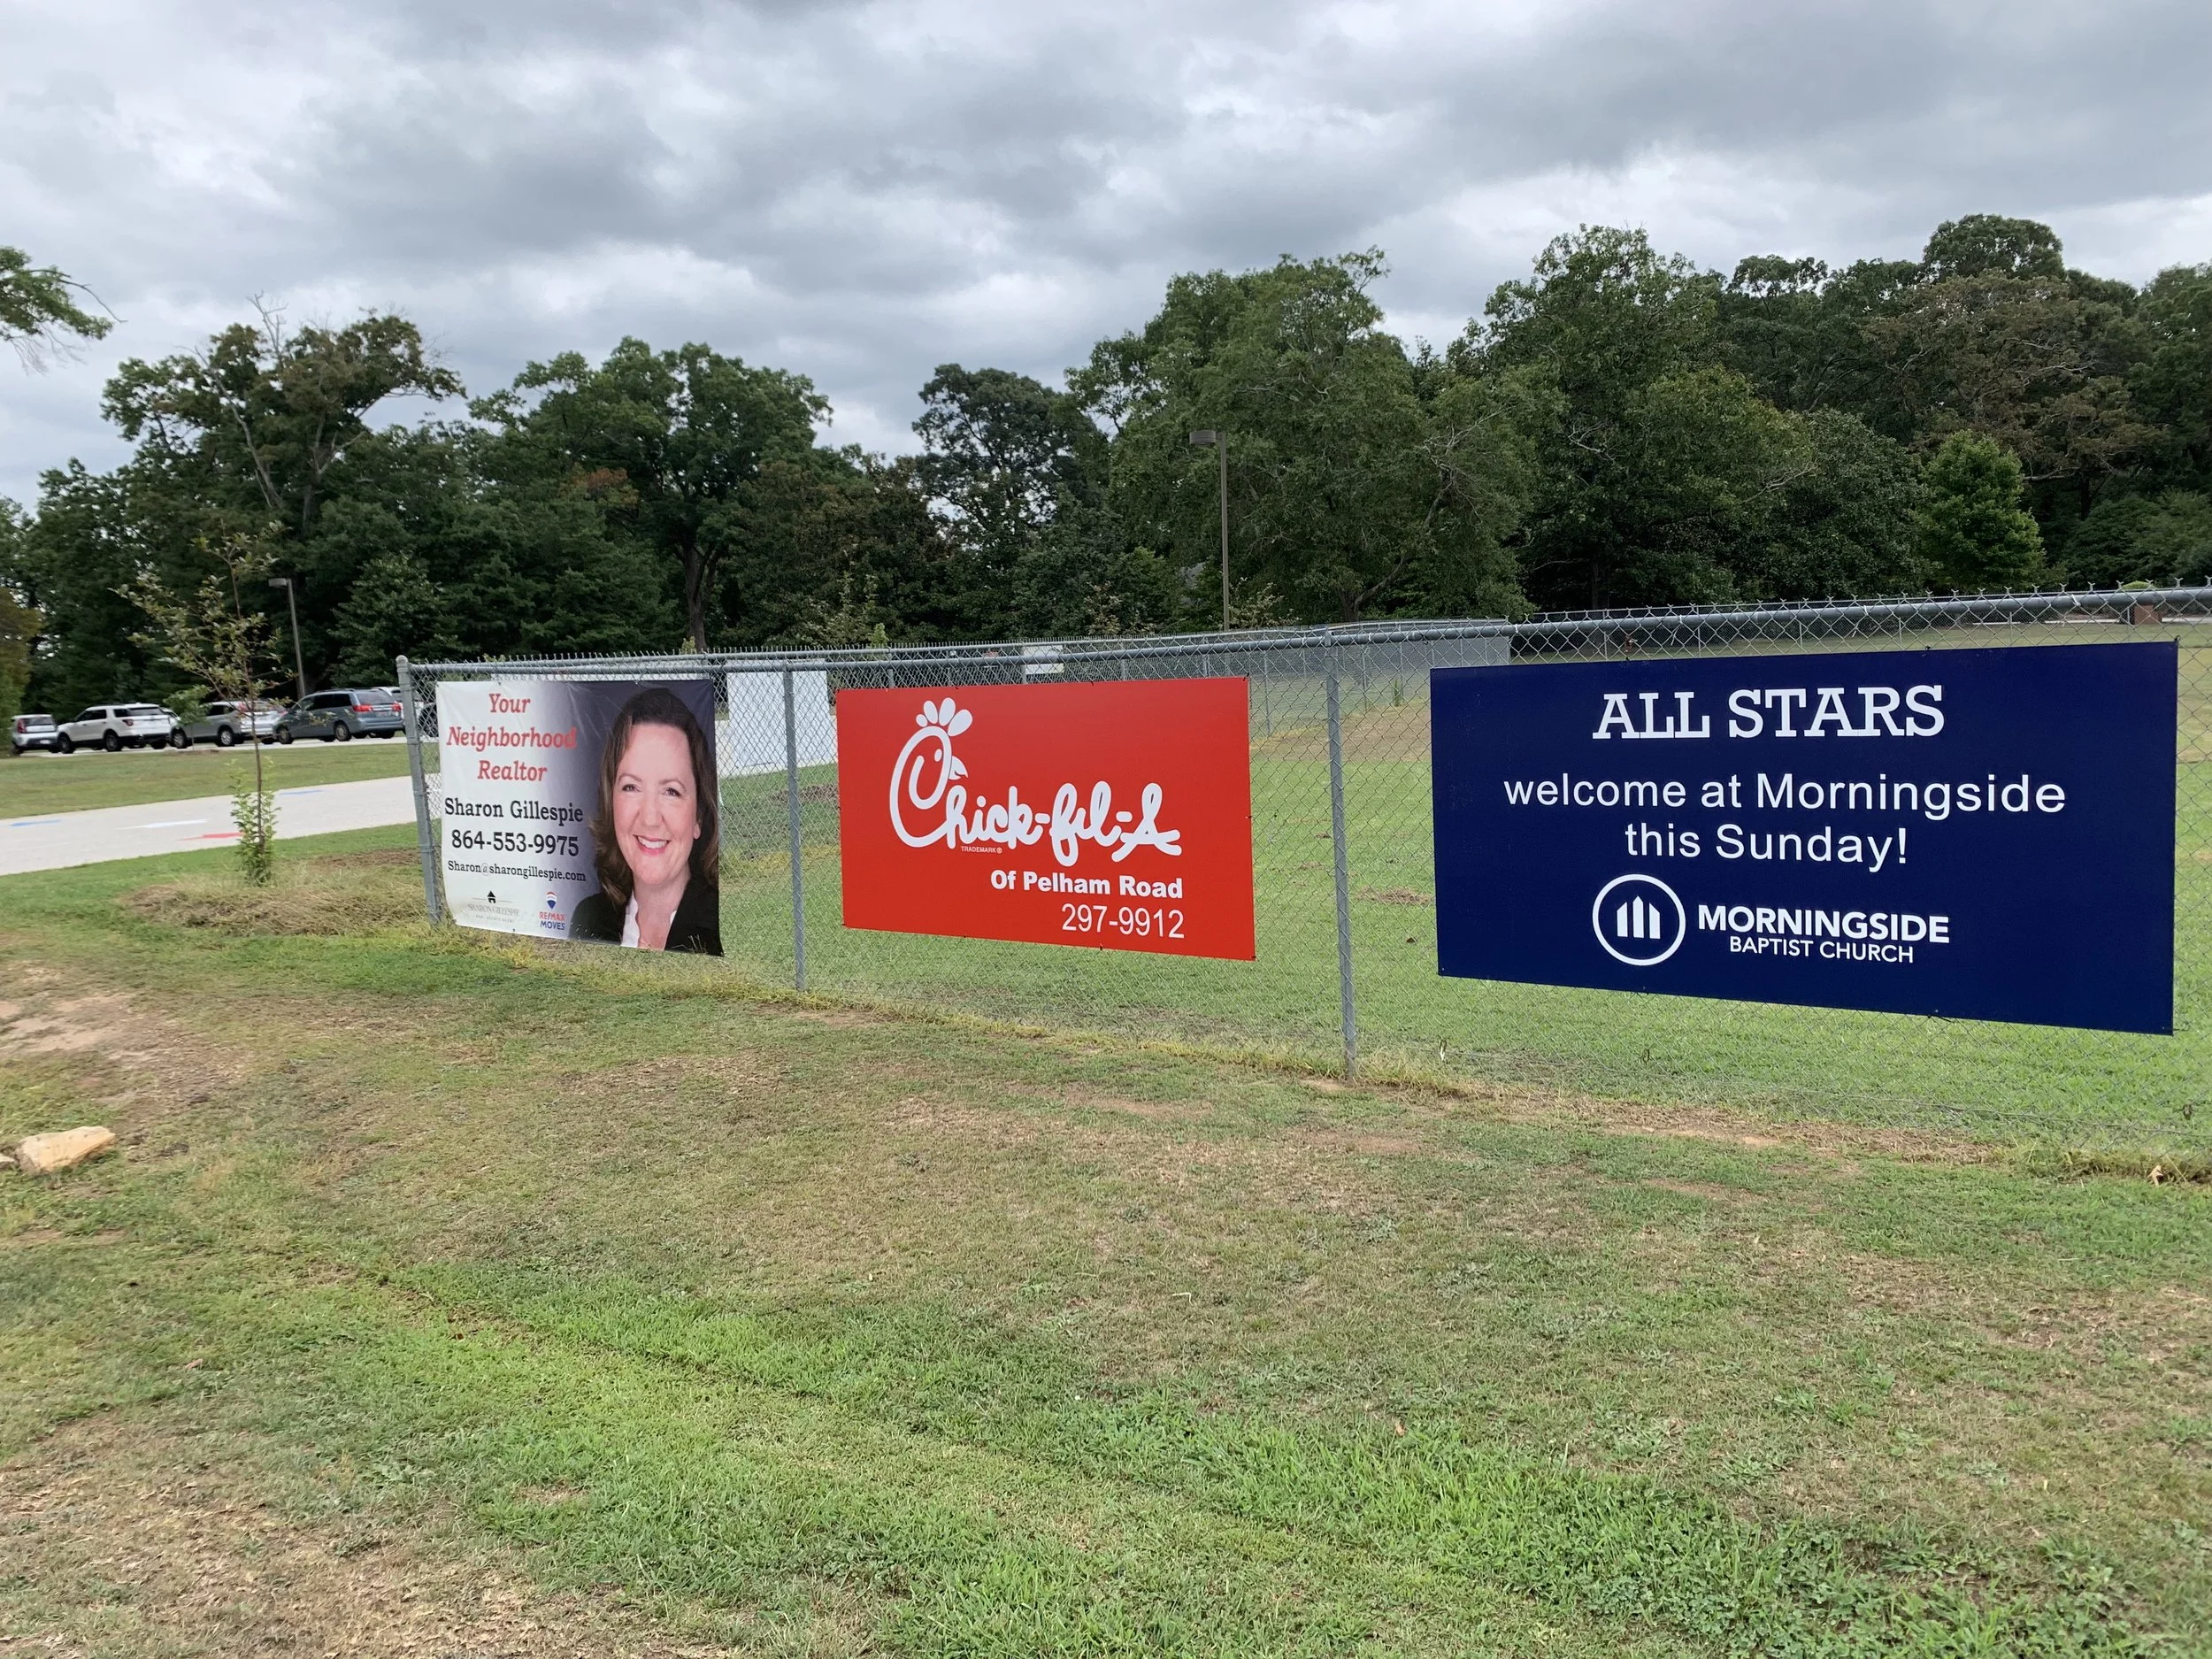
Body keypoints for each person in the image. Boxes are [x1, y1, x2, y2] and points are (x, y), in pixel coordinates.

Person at [569, 687, 723, 955]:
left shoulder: (716, 930)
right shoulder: (588, 919)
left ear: (698, 817)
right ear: (611, 801)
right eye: (631, 787)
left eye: (671, 791)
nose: (650, 818)